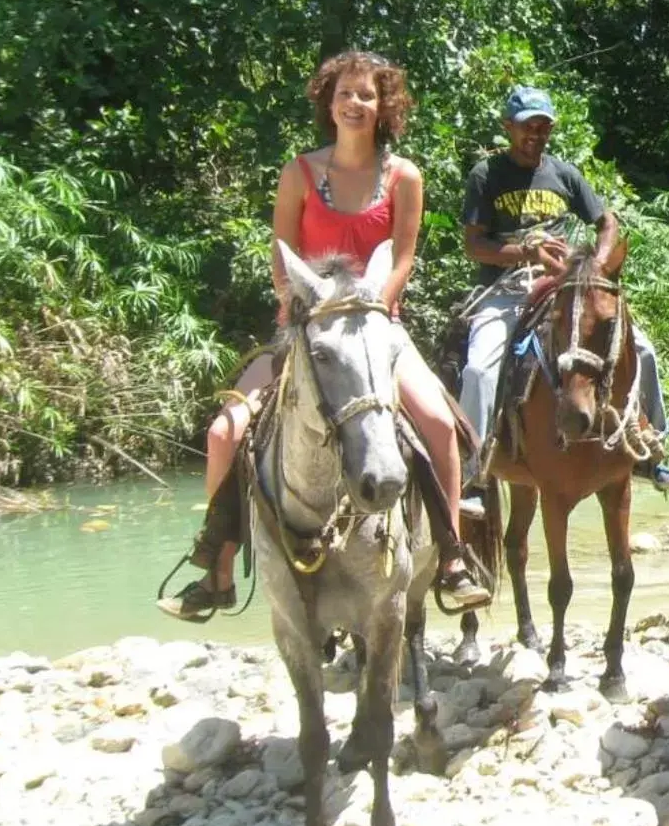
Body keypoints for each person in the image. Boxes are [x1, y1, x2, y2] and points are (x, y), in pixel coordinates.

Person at [159, 51, 490, 620]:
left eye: (366, 95)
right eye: (345, 94)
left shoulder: (404, 177)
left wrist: (370, 311)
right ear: (328, 101)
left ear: (384, 105)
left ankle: (453, 556)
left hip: (377, 327)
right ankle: (217, 568)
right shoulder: (300, 172)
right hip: (306, 327)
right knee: (223, 431)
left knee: (437, 423)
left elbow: (404, 258)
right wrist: (306, 312)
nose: (355, 104)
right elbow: (281, 259)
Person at [458, 85, 669, 489]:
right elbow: (474, 245)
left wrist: (596, 263)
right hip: (507, 289)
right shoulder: (486, 176)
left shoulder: (563, 173)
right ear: (508, 127)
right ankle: (472, 471)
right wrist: (526, 253)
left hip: (566, 287)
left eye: (543, 127)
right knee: (479, 367)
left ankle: (652, 446)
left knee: (643, 349)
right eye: (528, 127)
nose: (536, 135)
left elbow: (607, 221)